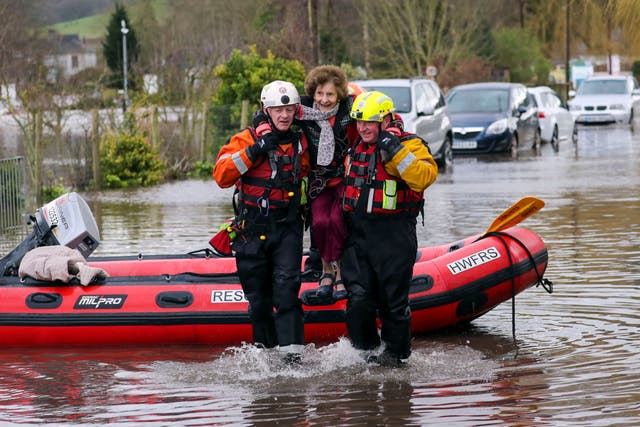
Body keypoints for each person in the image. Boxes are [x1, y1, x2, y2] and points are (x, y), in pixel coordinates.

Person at [213, 80, 310, 365]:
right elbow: (222, 176)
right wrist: (256, 150)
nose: (284, 115)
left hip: (287, 227)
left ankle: (293, 362)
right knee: (258, 300)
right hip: (252, 230)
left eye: (289, 109)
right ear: (266, 110)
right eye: (278, 110)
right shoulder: (246, 139)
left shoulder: (301, 141)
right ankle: (266, 360)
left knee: (287, 290)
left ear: (295, 111)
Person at [341, 91, 438, 367]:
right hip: (358, 234)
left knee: (393, 303)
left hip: (394, 234)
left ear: (385, 119)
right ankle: (365, 355)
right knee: (358, 299)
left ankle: (396, 359)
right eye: (359, 122)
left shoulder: (410, 144)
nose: (363, 128)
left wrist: (394, 149)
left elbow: (424, 177)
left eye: (369, 122)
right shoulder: (356, 147)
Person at [254, 65, 358, 301]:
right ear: (313, 92)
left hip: (343, 177)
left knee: (339, 221)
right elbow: (262, 113)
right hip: (317, 180)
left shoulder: (350, 107)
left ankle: (340, 273)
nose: (324, 100)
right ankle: (326, 270)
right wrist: (262, 131)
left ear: (339, 94)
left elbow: (381, 115)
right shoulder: (302, 107)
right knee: (320, 222)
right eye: (320, 94)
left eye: (330, 94)